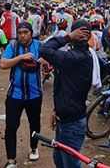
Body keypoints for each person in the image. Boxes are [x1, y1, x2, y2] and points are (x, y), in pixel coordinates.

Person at [39, 21, 94, 168]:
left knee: (70, 163)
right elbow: (65, 88)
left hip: (72, 122)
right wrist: (56, 110)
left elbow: (44, 50)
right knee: (59, 160)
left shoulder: (75, 58)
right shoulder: (78, 55)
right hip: (66, 117)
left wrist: (67, 36)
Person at [0, 22, 44, 168]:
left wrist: (47, 60)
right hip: (15, 94)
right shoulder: (12, 46)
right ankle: (11, 160)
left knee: (35, 123)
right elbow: (3, 64)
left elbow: (54, 59)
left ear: (31, 33)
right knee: (11, 126)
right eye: (20, 33)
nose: (22, 35)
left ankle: (33, 147)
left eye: (25, 32)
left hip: (35, 94)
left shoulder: (40, 45)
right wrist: (20, 58)